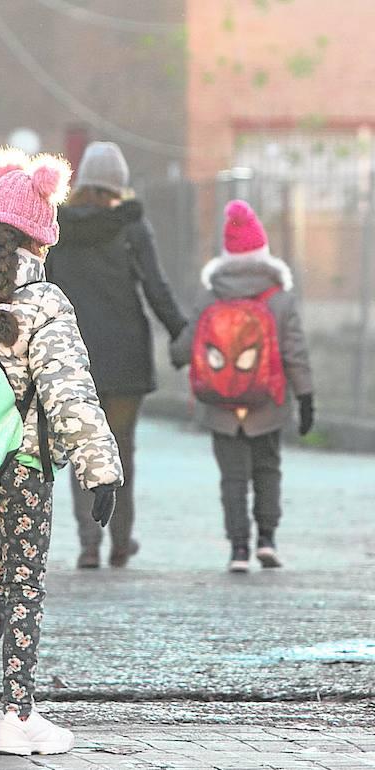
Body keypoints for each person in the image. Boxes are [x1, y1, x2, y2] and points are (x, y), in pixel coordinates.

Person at [0, 148, 123, 756]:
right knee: (24, 582)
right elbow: (70, 391)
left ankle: (16, 707)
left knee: (5, 576)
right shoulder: (45, 303)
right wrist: (101, 471)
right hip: (25, 466)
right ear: (43, 236)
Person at [47, 141, 188, 569]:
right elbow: (156, 287)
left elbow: (44, 287)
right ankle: (121, 541)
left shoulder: (58, 227)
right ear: (119, 184)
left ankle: (90, 544)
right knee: (121, 448)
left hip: (74, 355)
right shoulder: (131, 226)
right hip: (126, 356)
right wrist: (181, 331)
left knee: (81, 448)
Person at [170, 200, 314, 572]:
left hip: (221, 405)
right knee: (268, 469)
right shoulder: (280, 298)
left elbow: (188, 345)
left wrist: (175, 354)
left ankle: (238, 549)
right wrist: (306, 396)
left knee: (233, 477)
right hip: (268, 402)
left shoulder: (210, 295)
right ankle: (267, 539)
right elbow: (294, 352)